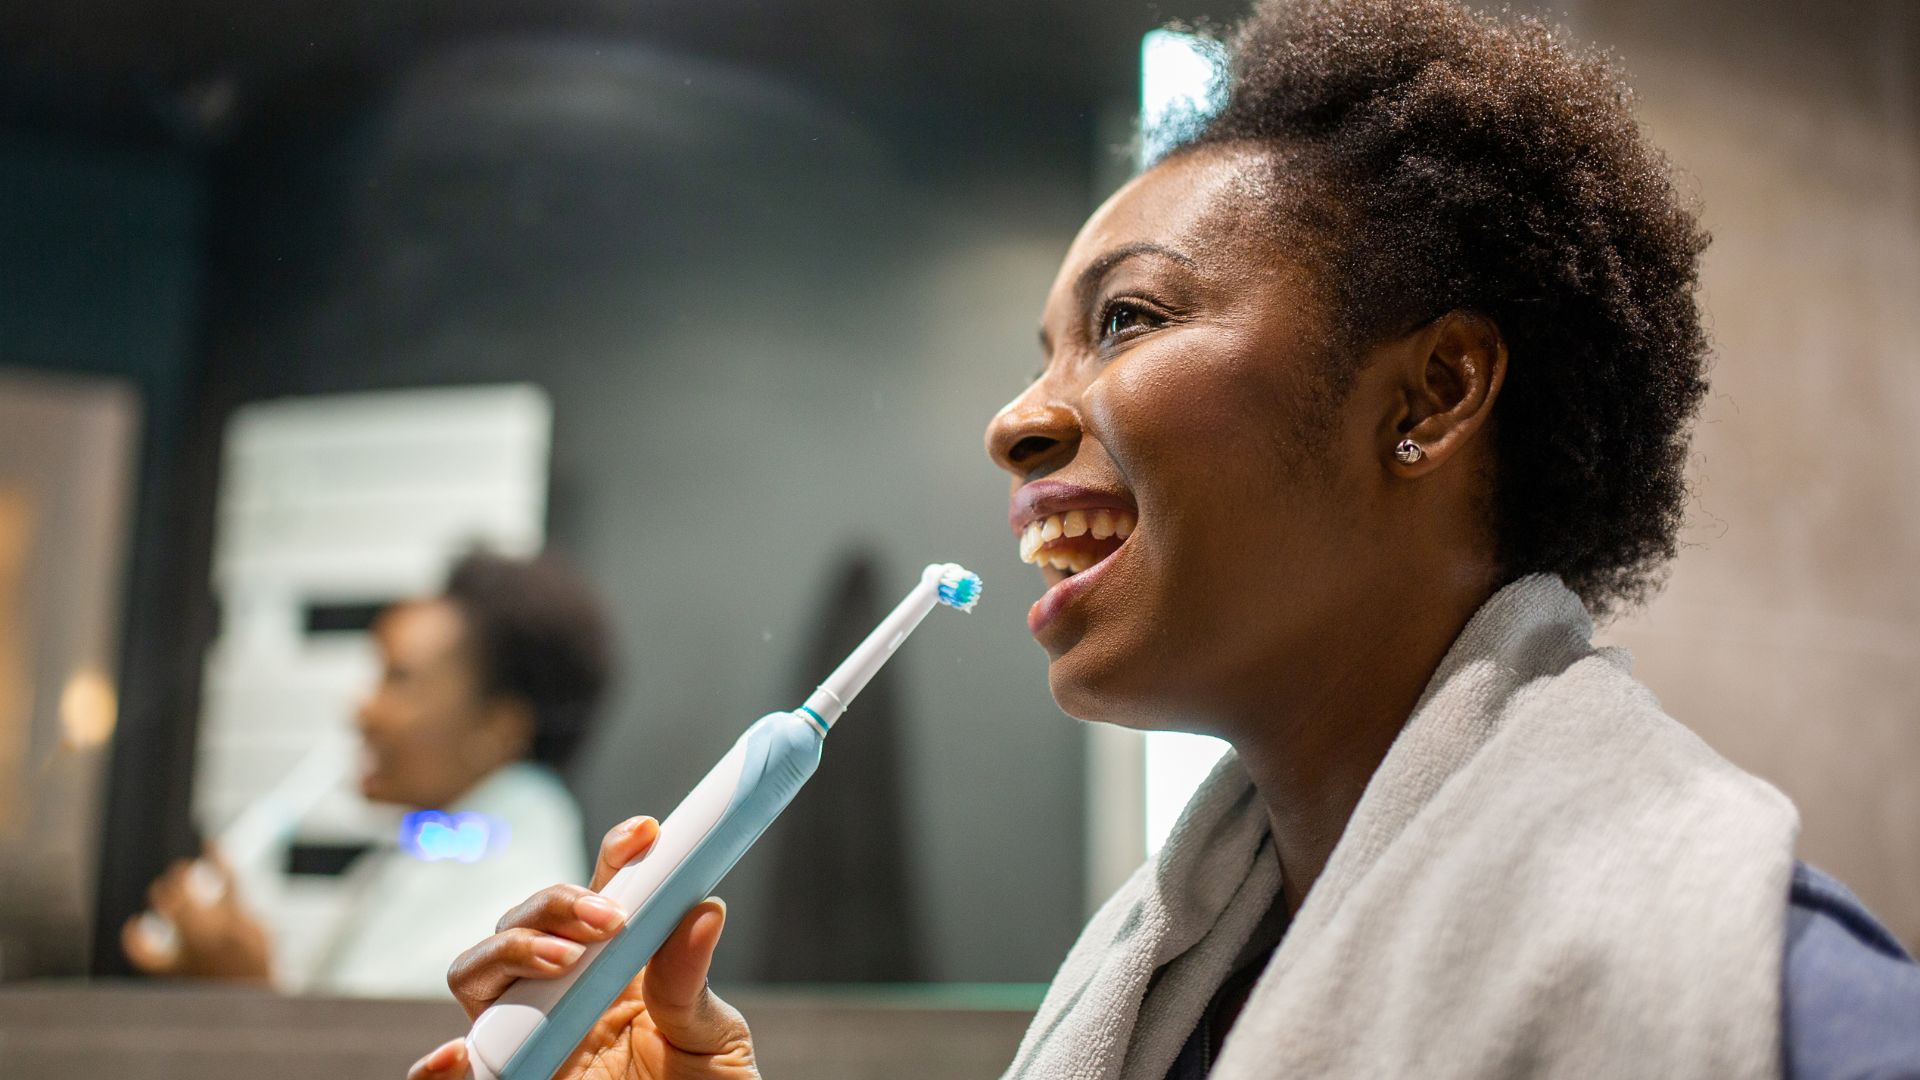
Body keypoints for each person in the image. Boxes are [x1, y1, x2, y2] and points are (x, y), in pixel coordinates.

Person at [409, 0, 1920, 1075]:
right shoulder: (1172, 988)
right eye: (1044, 349)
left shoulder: (1765, 999)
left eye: (1126, 321)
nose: (1015, 420)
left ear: (1434, 392)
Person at [124, 550, 613, 998]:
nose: (362, 711)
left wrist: (249, 996)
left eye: (397, 679)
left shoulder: (512, 903)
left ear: (499, 726)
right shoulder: (438, 855)